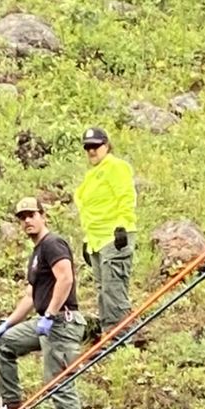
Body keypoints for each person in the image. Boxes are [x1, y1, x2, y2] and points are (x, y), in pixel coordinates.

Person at [0, 198, 87, 409]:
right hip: (46, 321)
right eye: (22, 217)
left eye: (31, 215)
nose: (27, 221)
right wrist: (8, 323)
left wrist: (51, 314)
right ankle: (13, 405)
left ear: (43, 216)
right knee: (3, 343)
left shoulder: (53, 244)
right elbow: (31, 296)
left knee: (58, 382)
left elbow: (65, 278)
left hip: (62, 322)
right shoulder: (36, 254)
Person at [72, 126, 137, 331]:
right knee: (102, 289)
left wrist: (123, 226)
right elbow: (91, 209)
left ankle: (119, 336)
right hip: (97, 240)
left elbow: (125, 196)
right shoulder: (93, 174)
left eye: (96, 146)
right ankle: (110, 333)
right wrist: (87, 241)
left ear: (106, 146)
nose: (91, 151)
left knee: (113, 288)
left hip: (114, 236)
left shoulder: (115, 166)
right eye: (88, 147)